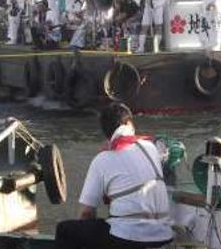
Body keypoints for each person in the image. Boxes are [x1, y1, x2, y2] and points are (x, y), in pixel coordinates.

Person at [54, 102, 172, 249]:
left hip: (128, 238)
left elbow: (86, 213)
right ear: (129, 123)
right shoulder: (151, 148)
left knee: (65, 230)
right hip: (164, 233)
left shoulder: (102, 159)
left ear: (106, 132)